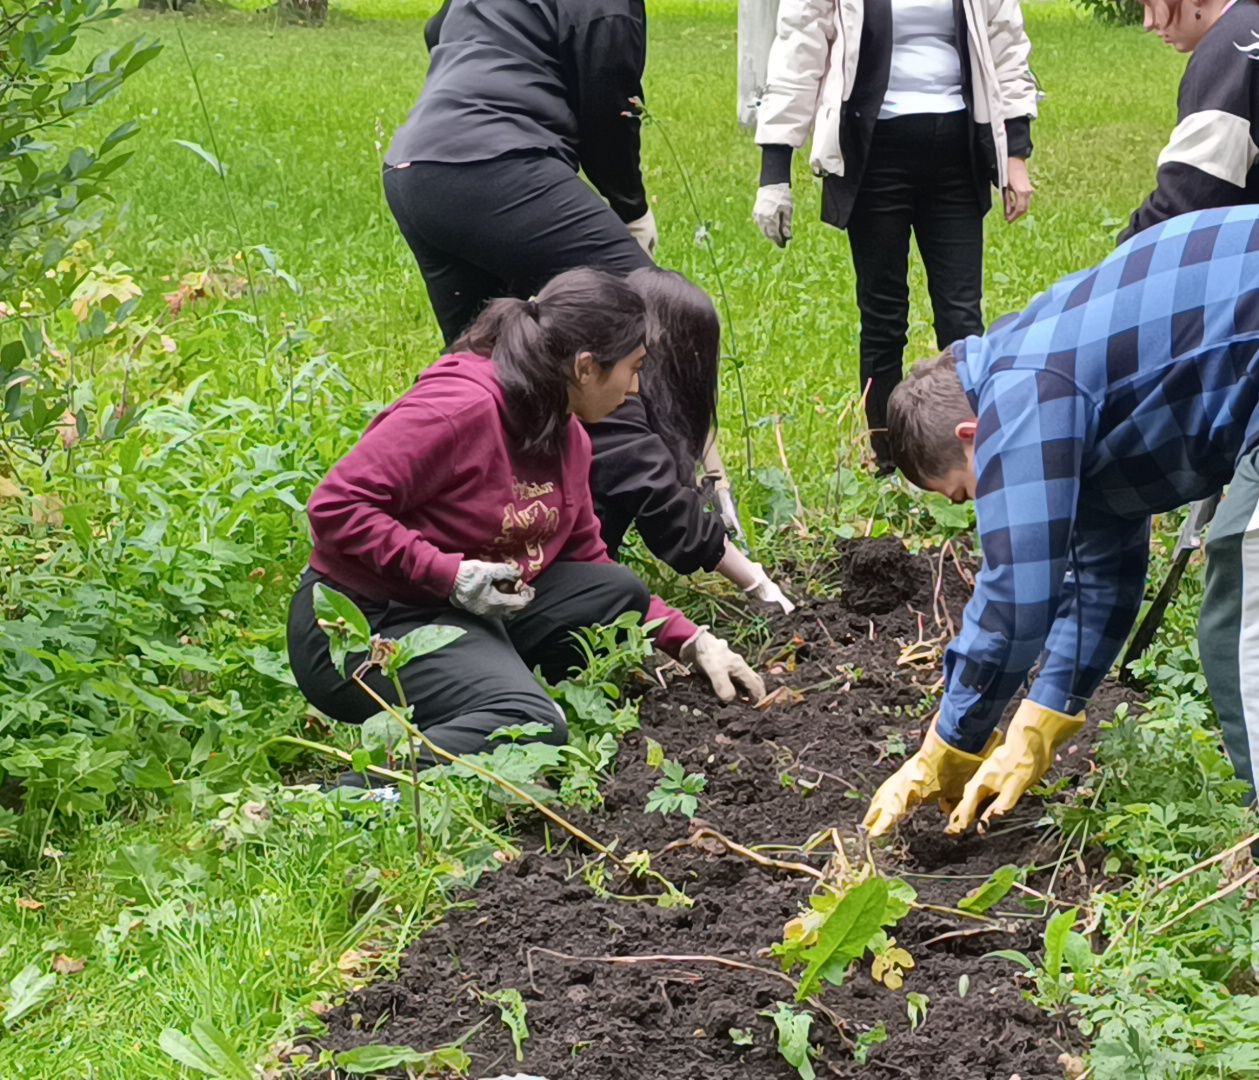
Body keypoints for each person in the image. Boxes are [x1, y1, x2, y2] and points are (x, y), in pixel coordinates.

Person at [864, 204, 1259, 995]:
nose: (981, 506)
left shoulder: (1021, 392)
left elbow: (1018, 592)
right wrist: (1041, 720)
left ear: (970, 439)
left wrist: (949, 745)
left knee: (1256, 636)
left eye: (970, 493)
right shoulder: (1051, 365)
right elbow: (1100, 575)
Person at [288, 271, 766, 769]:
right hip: (360, 621)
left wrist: (692, 641)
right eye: (634, 367)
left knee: (617, 588)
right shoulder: (462, 408)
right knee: (530, 723)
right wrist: (449, 574)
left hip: (457, 609)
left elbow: (589, 564)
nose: (637, 387)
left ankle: (473, 690)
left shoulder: (567, 436)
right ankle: (358, 796)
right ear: (585, 367)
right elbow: (334, 507)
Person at [750, 0, 1039, 472]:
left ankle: (970, 455)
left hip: (957, 154)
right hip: (874, 157)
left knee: (962, 319)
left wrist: (1017, 151)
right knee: (884, 318)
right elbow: (798, 46)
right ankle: (889, 460)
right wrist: (774, 171)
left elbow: (1005, 40)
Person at [388, 0, 655, 346]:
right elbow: (609, 107)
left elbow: (437, 28)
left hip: (413, 166)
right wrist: (631, 209)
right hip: (494, 165)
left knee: (485, 359)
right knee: (649, 309)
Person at [586, 269, 794, 614]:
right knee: (622, 590)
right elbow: (667, 509)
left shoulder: (605, 388)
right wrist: (757, 583)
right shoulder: (614, 406)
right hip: (550, 575)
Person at [1124, 0, 1259, 241]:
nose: (1148, 22)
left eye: (1151, 4)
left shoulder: (1229, 47)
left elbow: (1182, 209)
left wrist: (1114, 263)